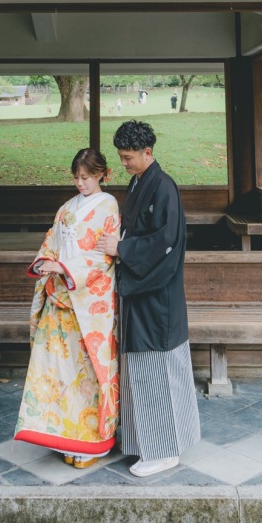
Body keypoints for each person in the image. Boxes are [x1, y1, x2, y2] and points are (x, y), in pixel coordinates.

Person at [98, 120, 200, 478]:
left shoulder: (164, 188)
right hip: (141, 293)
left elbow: (165, 242)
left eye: (128, 157)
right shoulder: (140, 181)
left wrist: (122, 248)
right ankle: (148, 443)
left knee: (157, 369)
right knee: (141, 372)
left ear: (148, 153)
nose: (123, 163)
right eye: (121, 157)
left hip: (157, 296)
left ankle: (163, 451)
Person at [15, 148, 120, 468]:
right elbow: (51, 243)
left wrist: (66, 268)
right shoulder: (66, 209)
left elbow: (104, 255)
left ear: (102, 174)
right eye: (76, 177)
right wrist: (47, 262)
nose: (79, 183)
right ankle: (61, 435)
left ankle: (92, 445)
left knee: (87, 376)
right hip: (60, 300)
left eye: (86, 177)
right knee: (56, 373)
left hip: (89, 304)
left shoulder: (109, 207)